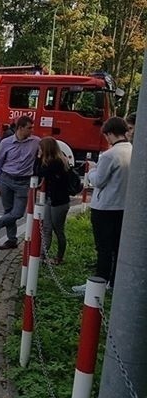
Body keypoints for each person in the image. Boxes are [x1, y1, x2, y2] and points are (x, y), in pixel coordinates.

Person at [73, 117, 132, 292]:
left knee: (103, 248)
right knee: (116, 246)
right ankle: (113, 282)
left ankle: (99, 282)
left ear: (110, 134)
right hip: (122, 206)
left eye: (106, 135)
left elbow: (98, 181)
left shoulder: (109, 155)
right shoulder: (133, 150)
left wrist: (92, 170)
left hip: (105, 207)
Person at [0, 116, 40, 250]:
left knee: (18, 213)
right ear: (20, 128)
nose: (32, 130)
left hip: (24, 181)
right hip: (6, 179)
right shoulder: (6, 143)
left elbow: (48, 150)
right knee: (8, 211)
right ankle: (12, 240)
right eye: (29, 128)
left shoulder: (36, 142)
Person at [35, 137, 71, 265]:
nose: (38, 150)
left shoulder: (55, 163)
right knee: (47, 228)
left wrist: (39, 158)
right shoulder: (56, 161)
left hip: (58, 201)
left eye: (40, 148)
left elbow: (40, 172)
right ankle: (42, 255)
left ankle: (58, 257)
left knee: (57, 229)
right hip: (52, 200)